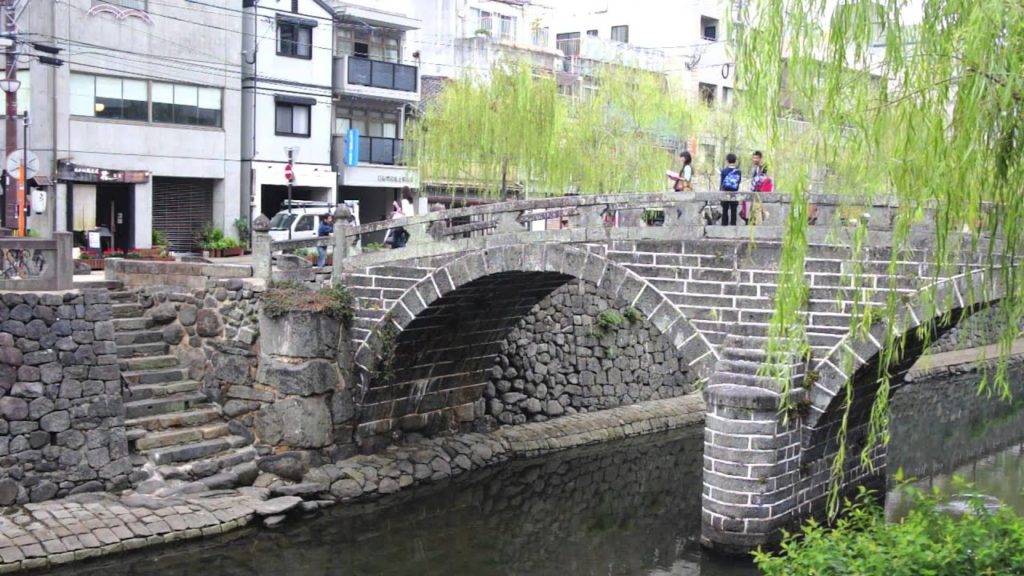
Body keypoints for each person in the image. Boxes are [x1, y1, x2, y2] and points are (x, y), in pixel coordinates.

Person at [742, 151, 772, 224]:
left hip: (760, 192)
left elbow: (763, 180)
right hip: (755, 193)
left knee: (756, 211)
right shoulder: (756, 168)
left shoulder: (764, 167)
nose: (755, 159)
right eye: (754, 158)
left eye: (756, 158)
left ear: (760, 158)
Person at [719, 153, 742, 226]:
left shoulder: (724, 171)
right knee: (734, 211)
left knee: (725, 210)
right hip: (734, 193)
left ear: (727, 161)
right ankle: (733, 226)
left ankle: (724, 225)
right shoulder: (738, 171)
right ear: (735, 161)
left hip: (725, 192)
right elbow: (738, 182)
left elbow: (722, 183)